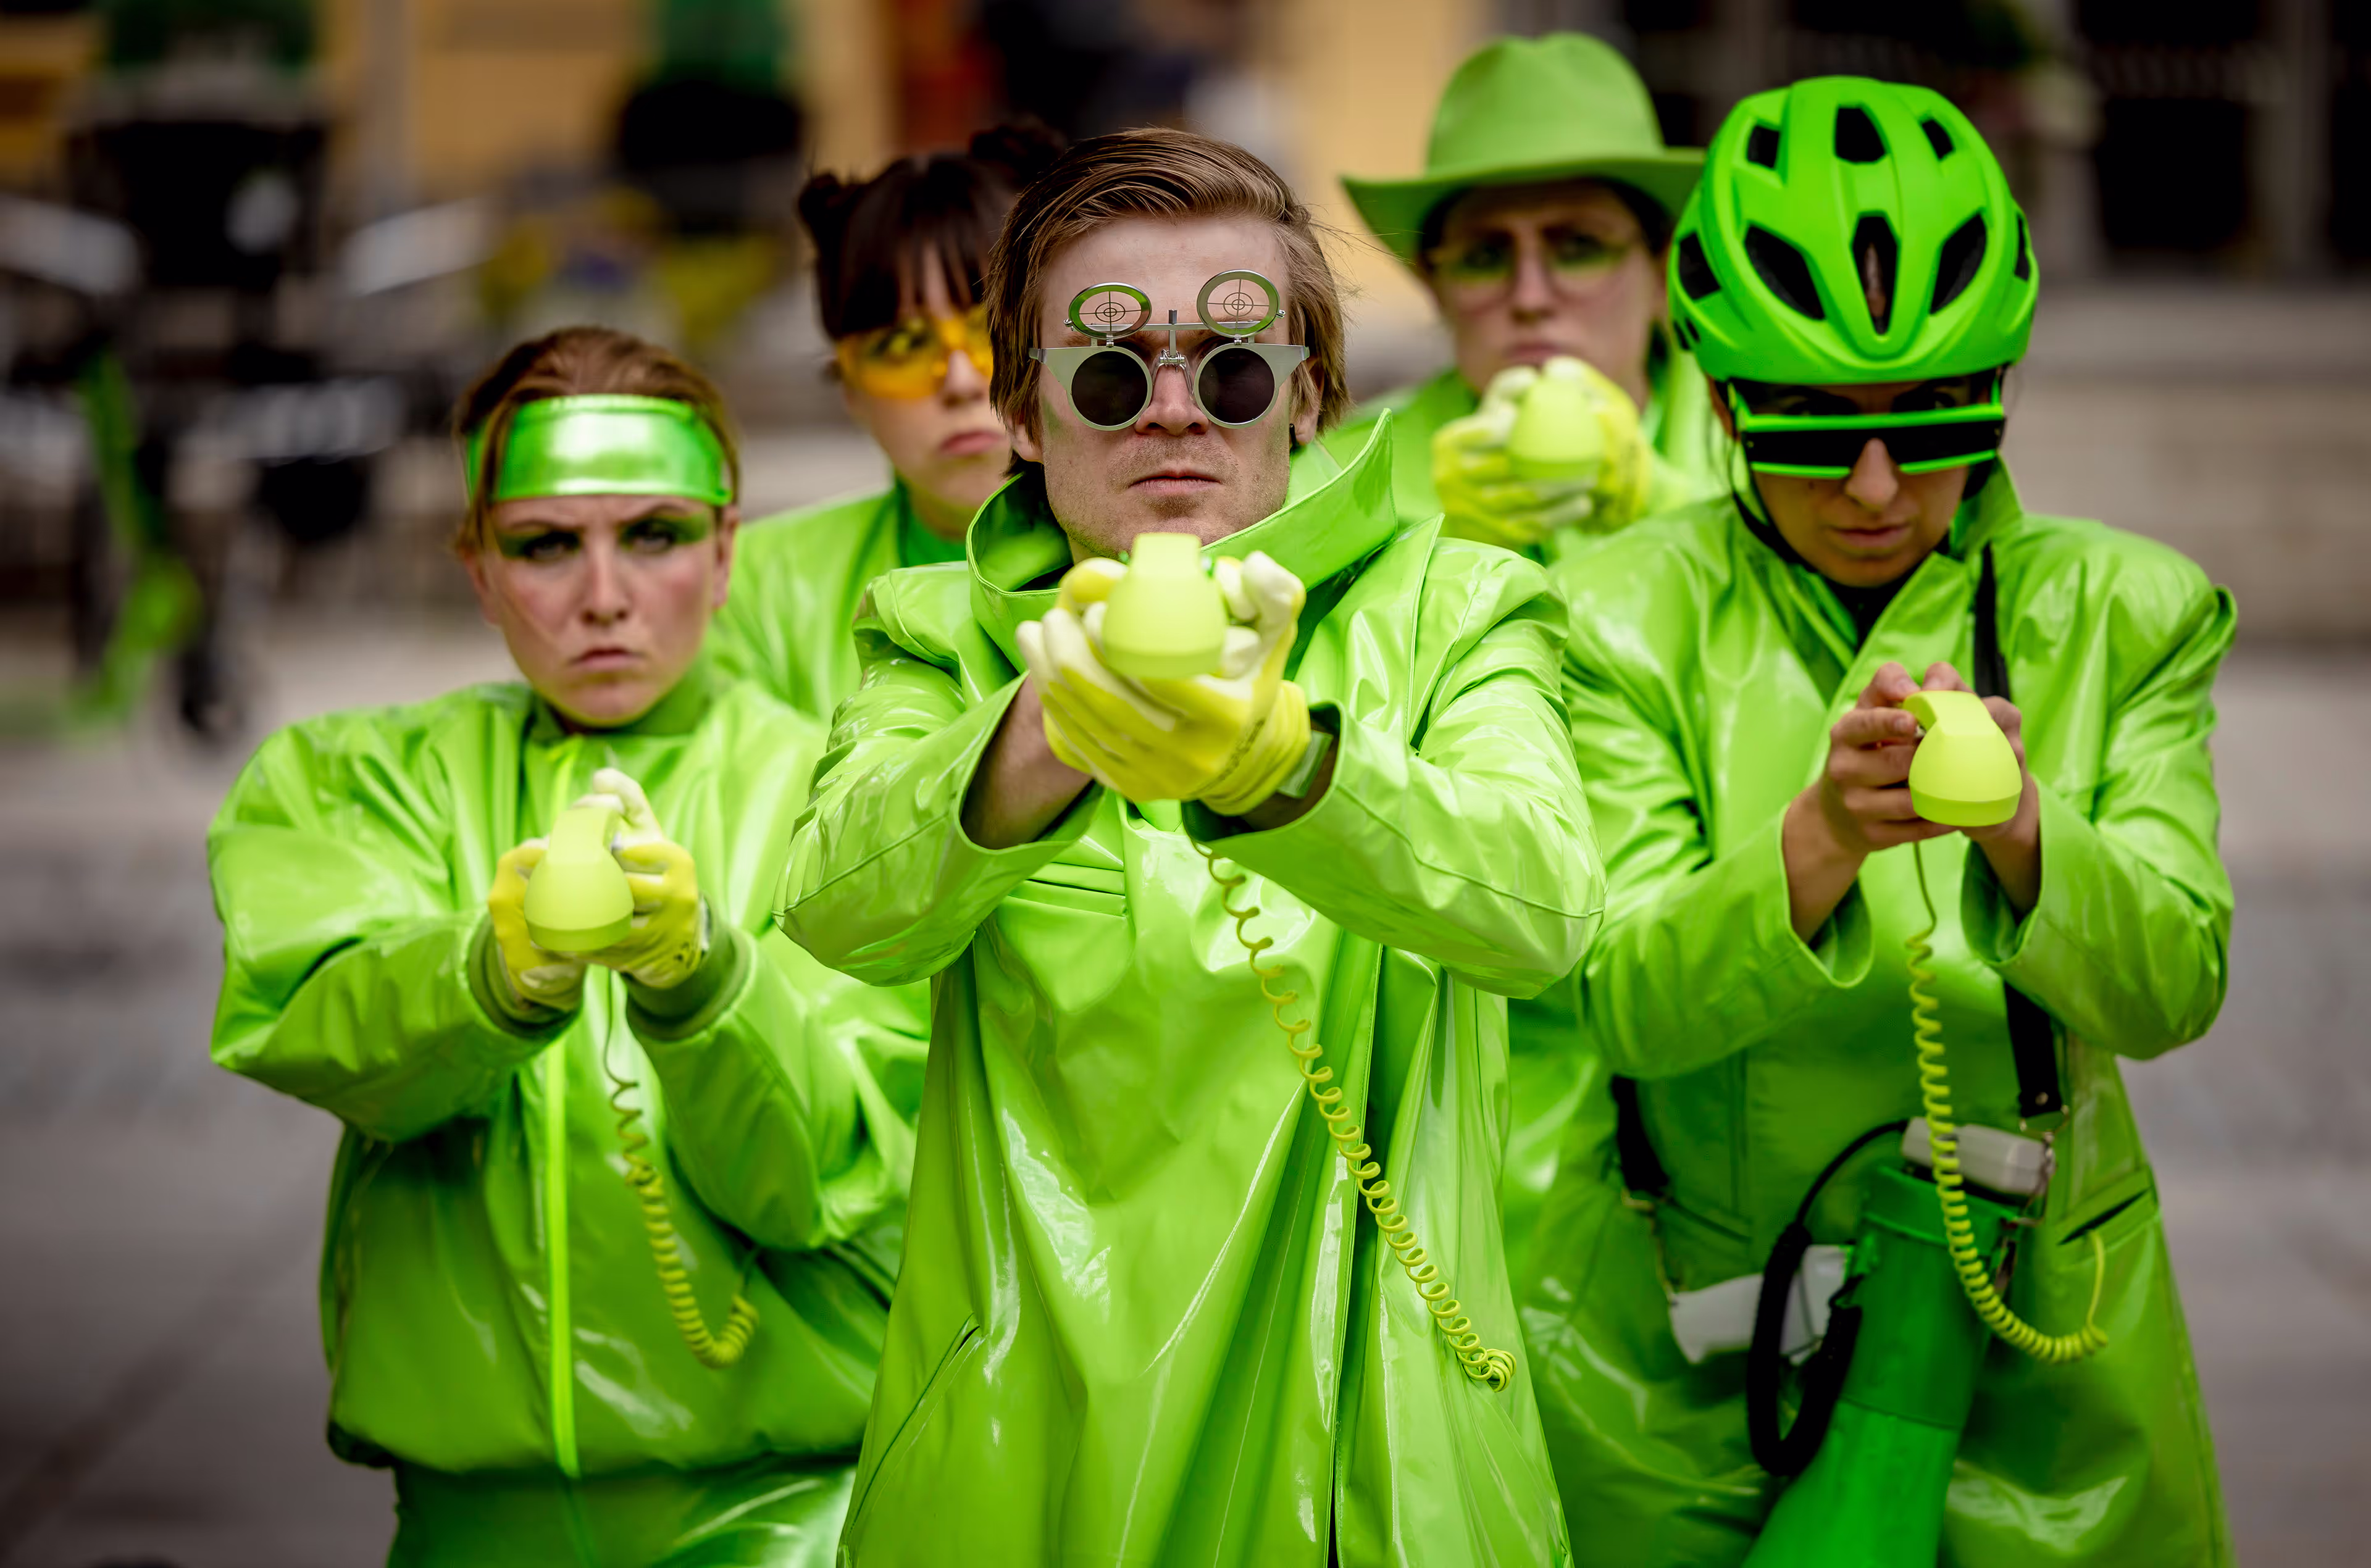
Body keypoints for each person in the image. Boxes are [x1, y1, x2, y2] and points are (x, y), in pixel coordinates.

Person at [776, 128, 1602, 1564]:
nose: (1172, 410)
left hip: (1365, 1469)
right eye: (1110, 372)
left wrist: (1287, 767)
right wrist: (1040, 733)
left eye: (1230, 369)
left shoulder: (1463, 607)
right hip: (1029, 1450)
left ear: (1310, 392)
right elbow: (838, 905)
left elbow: (1544, 908)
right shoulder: (932, 633)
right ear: (1025, 409)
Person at [1520, 78, 2233, 1565]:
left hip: (2039, 1354)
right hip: (1693, 1367)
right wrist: (1820, 842)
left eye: (1929, 422)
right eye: (1810, 427)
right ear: (1721, 401)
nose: (1872, 486)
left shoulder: (2125, 611)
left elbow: (2171, 983)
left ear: (1999, 390)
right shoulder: (1608, 615)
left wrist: (2028, 832)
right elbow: (1627, 1000)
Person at [207, 327, 926, 1565]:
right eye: (545, 544)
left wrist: (709, 990)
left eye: (653, 534)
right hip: (469, 1523)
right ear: (478, 568)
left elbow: (825, 1175)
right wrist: (484, 981)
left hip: (787, 1523)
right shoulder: (368, 782)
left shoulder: (853, 800)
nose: (603, 596)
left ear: (726, 551)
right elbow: (320, 1025)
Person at [707, 124, 1060, 722]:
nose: (960, 380)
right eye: (904, 344)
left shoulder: (1175, 538)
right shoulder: (756, 587)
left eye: (993, 330)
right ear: (850, 389)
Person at [1332, 33, 1721, 549]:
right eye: (1484, 256)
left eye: (1580, 247)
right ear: (1434, 284)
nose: (1530, 298)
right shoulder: (1345, 482)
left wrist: (1673, 517)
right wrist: (1435, 555)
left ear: (1663, 269)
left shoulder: (1769, 446)